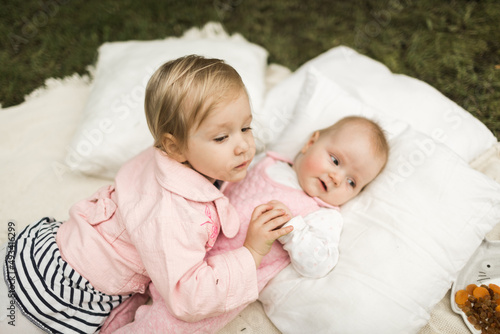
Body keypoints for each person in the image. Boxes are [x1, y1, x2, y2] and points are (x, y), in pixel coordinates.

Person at [0, 55, 292, 334]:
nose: (243, 146)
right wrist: (251, 252)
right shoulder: (173, 214)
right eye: (221, 138)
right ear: (174, 147)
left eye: (246, 127)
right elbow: (187, 296)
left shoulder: (173, 158)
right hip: (59, 288)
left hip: (54, 244)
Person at [107, 115, 389, 333]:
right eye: (335, 160)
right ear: (310, 142)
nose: (338, 178)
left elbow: (319, 264)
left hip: (223, 284)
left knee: (166, 325)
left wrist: (294, 229)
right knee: (131, 285)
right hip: (191, 245)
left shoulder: (323, 214)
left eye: (352, 181)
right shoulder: (270, 162)